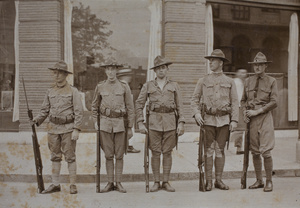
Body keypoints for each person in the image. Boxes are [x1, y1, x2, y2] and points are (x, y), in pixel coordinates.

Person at [31, 60, 83, 194]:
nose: (57, 75)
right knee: (55, 156)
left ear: (66, 75)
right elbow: (44, 110)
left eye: (60, 73)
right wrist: (37, 120)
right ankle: (55, 184)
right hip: (53, 128)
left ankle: (72, 184)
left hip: (68, 128)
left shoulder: (73, 91)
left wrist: (76, 129)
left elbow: (79, 111)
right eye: (55, 73)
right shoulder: (50, 91)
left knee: (70, 156)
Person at [191, 49, 239, 191]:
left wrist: (234, 120)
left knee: (220, 151)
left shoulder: (230, 81)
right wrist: (197, 114)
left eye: (213, 60)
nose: (210, 62)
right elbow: (194, 100)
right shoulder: (203, 80)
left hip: (224, 121)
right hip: (208, 121)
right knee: (208, 151)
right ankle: (209, 181)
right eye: (210, 60)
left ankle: (219, 180)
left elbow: (235, 102)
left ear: (221, 63)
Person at [135, 55, 185, 192]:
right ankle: (156, 181)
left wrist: (181, 123)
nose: (161, 71)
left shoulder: (174, 86)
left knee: (167, 153)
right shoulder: (148, 86)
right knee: (155, 153)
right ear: (155, 71)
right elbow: (139, 104)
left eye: (163, 68)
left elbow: (180, 105)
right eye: (158, 68)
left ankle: (166, 181)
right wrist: (140, 122)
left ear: (167, 69)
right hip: (153, 124)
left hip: (170, 123)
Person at [91, 62, 134, 193]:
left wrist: (130, 126)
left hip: (120, 124)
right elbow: (94, 106)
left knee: (119, 155)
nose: (110, 72)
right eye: (108, 69)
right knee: (108, 155)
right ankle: (110, 182)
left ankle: (119, 182)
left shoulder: (124, 86)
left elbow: (130, 108)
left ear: (117, 71)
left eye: (113, 69)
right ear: (105, 71)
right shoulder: (100, 86)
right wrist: (95, 122)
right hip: (104, 124)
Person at [241, 52, 278, 192]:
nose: (257, 67)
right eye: (255, 65)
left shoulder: (272, 81)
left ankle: (269, 181)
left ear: (265, 66)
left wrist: (258, 111)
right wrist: (245, 112)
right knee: (255, 152)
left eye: (260, 64)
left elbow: (274, 102)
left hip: (264, 117)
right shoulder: (247, 81)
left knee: (266, 151)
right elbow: (243, 100)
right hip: (251, 118)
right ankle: (259, 180)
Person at [117, 68, 140, 153]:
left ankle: (127, 145)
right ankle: (128, 146)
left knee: (130, 128)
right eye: (127, 75)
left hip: (127, 111)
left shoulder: (125, 85)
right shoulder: (123, 85)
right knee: (129, 128)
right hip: (124, 112)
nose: (129, 77)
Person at [231, 68, 248, 155]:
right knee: (240, 128)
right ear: (237, 73)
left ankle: (239, 146)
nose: (243, 74)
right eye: (241, 72)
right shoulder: (236, 82)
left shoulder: (242, 82)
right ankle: (238, 147)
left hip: (240, 106)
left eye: (245, 72)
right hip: (238, 106)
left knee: (240, 129)